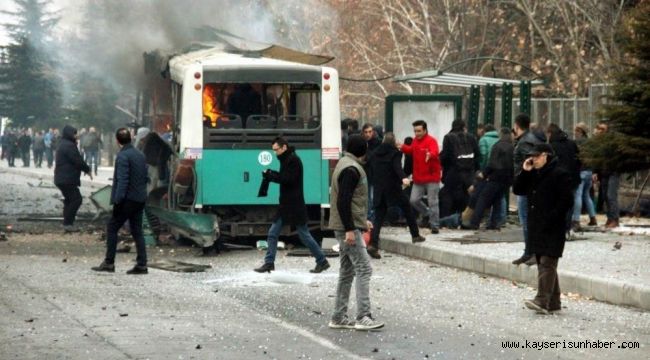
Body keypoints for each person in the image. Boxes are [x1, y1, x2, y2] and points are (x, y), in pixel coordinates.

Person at [328, 134, 384, 330]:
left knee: (347, 271)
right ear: (363, 150)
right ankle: (363, 316)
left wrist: (361, 221)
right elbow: (343, 201)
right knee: (364, 268)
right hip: (346, 228)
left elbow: (349, 202)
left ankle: (339, 316)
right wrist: (351, 228)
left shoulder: (344, 164)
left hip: (343, 225)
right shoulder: (352, 169)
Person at [254, 137, 330, 274]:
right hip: (288, 205)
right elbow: (285, 177)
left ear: (284, 147)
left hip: (293, 205)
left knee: (303, 235)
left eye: (276, 150)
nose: (275, 153)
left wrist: (271, 176)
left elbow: (288, 179)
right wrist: (271, 174)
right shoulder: (288, 159)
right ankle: (269, 262)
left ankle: (322, 260)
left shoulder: (293, 160)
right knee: (274, 233)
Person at [513, 143, 574, 314]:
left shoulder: (560, 174)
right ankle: (553, 301)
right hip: (537, 225)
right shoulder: (534, 173)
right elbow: (518, 189)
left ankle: (541, 300)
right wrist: (525, 171)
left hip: (553, 225)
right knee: (543, 261)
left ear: (546, 155)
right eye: (531, 156)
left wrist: (552, 217)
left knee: (548, 261)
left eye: (537, 156)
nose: (533, 159)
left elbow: (567, 201)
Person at [92, 128, 149, 274]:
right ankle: (142, 264)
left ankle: (109, 262)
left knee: (112, 228)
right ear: (130, 138)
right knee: (137, 231)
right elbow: (145, 177)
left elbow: (123, 180)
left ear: (117, 141)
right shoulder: (140, 155)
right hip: (140, 199)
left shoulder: (123, 156)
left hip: (127, 200)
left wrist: (117, 201)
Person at [367, 132, 425, 259]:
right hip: (393, 188)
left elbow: (370, 169)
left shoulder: (375, 154)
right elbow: (397, 167)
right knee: (407, 209)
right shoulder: (396, 153)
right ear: (393, 142)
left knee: (378, 218)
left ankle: (373, 244)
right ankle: (415, 235)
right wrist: (404, 178)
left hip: (379, 189)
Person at [511, 114, 545, 266]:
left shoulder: (525, 142)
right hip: (528, 185)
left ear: (517, 126)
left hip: (526, 186)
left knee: (527, 221)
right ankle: (529, 252)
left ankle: (531, 252)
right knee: (527, 220)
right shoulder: (530, 139)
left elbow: (530, 163)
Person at [466, 127, 514, 230]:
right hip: (506, 179)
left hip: (495, 177)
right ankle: (494, 223)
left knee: (483, 199)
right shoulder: (511, 147)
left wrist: (484, 174)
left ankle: (474, 223)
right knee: (497, 200)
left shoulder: (497, 146)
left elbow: (492, 163)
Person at [400, 120, 442, 234]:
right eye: (415, 131)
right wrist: (401, 146)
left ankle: (435, 225)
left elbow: (435, 151)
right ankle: (428, 213)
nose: (417, 133)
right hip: (418, 177)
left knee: (433, 201)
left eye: (419, 131)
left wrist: (430, 154)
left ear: (425, 130)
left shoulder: (431, 141)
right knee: (413, 200)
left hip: (432, 177)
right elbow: (410, 150)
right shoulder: (415, 141)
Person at [54, 125, 93, 232]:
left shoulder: (64, 143)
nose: (77, 135)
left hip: (62, 178)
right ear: (70, 134)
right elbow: (77, 160)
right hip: (67, 178)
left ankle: (67, 223)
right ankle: (68, 223)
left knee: (69, 200)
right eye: (75, 133)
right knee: (76, 199)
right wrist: (87, 169)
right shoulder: (69, 146)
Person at [439, 119, 480, 218]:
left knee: (448, 196)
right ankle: (465, 219)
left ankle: (447, 219)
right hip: (469, 173)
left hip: (453, 173)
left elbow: (445, 156)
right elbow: (477, 155)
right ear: (463, 126)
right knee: (466, 197)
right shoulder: (471, 137)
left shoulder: (448, 137)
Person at [592, 121, 620, 228]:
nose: (599, 131)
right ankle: (610, 218)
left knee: (611, 195)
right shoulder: (598, 143)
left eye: (602, 129)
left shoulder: (612, 142)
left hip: (613, 171)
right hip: (603, 172)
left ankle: (615, 219)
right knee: (605, 196)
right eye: (598, 129)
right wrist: (595, 172)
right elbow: (596, 158)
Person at [572, 122, 597, 228]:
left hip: (581, 171)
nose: (575, 133)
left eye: (576, 131)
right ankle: (593, 218)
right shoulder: (591, 143)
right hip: (589, 172)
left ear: (580, 131)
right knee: (586, 196)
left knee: (577, 195)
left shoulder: (576, 143)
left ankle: (576, 220)